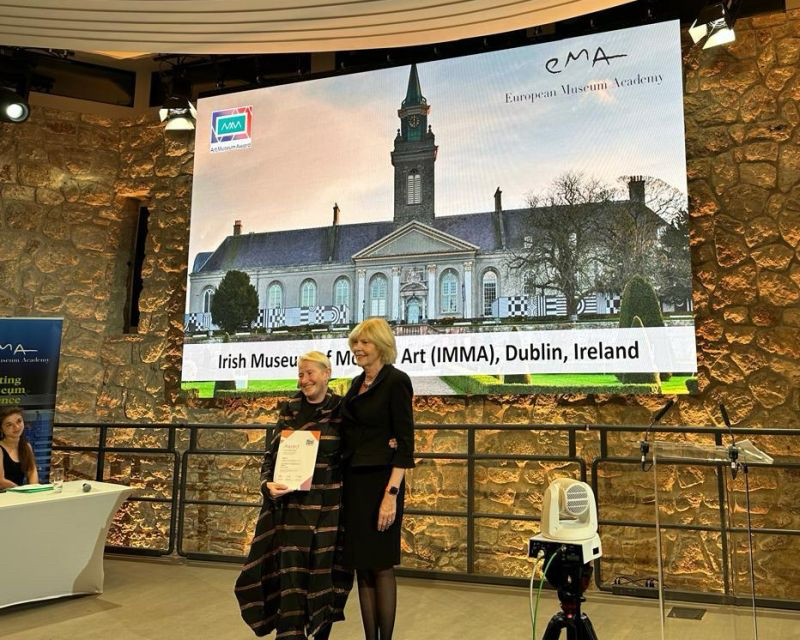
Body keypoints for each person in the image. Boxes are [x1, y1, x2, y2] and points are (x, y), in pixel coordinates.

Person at [235, 351, 352, 639]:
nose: (304, 380)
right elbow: (271, 456)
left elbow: (354, 454)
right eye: (301, 374)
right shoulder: (289, 409)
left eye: (310, 373)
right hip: (292, 513)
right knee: (290, 581)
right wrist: (267, 485)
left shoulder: (342, 410)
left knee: (323, 578)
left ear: (326, 374)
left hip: (328, 512)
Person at [340, 318, 415, 640]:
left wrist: (391, 495)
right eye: (355, 343)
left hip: (382, 484)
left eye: (364, 342)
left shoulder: (396, 381)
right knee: (362, 566)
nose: (357, 348)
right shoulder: (356, 383)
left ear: (381, 346)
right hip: (355, 484)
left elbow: (405, 444)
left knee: (381, 565)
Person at [0, 406, 39, 488]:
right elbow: (1, 481)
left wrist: (33, 489)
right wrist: (20, 490)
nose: (16, 427)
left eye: (19, 421)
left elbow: (32, 471)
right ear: (1, 429)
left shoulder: (27, 446)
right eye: (9, 425)